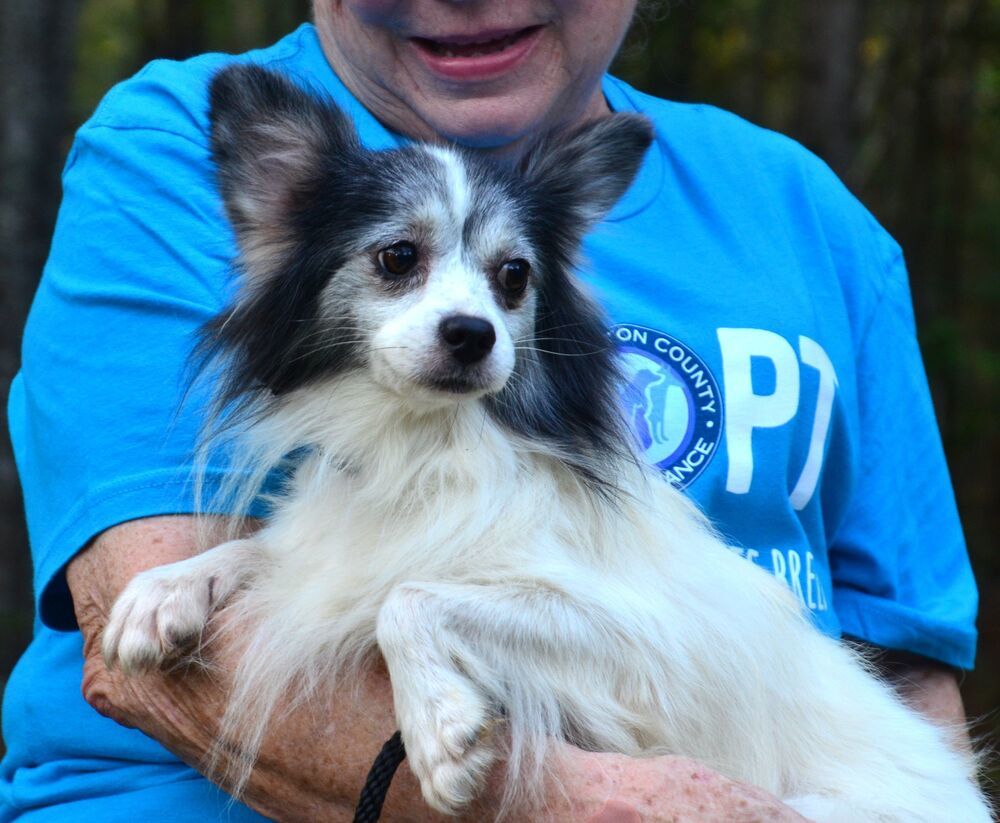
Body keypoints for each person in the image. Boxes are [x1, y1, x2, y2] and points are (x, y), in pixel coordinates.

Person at [0, 1, 978, 820]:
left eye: (507, 279)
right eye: (397, 261)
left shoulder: (809, 211)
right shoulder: (163, 148)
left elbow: (906, 672)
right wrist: (581, 797)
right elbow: (164, 661)